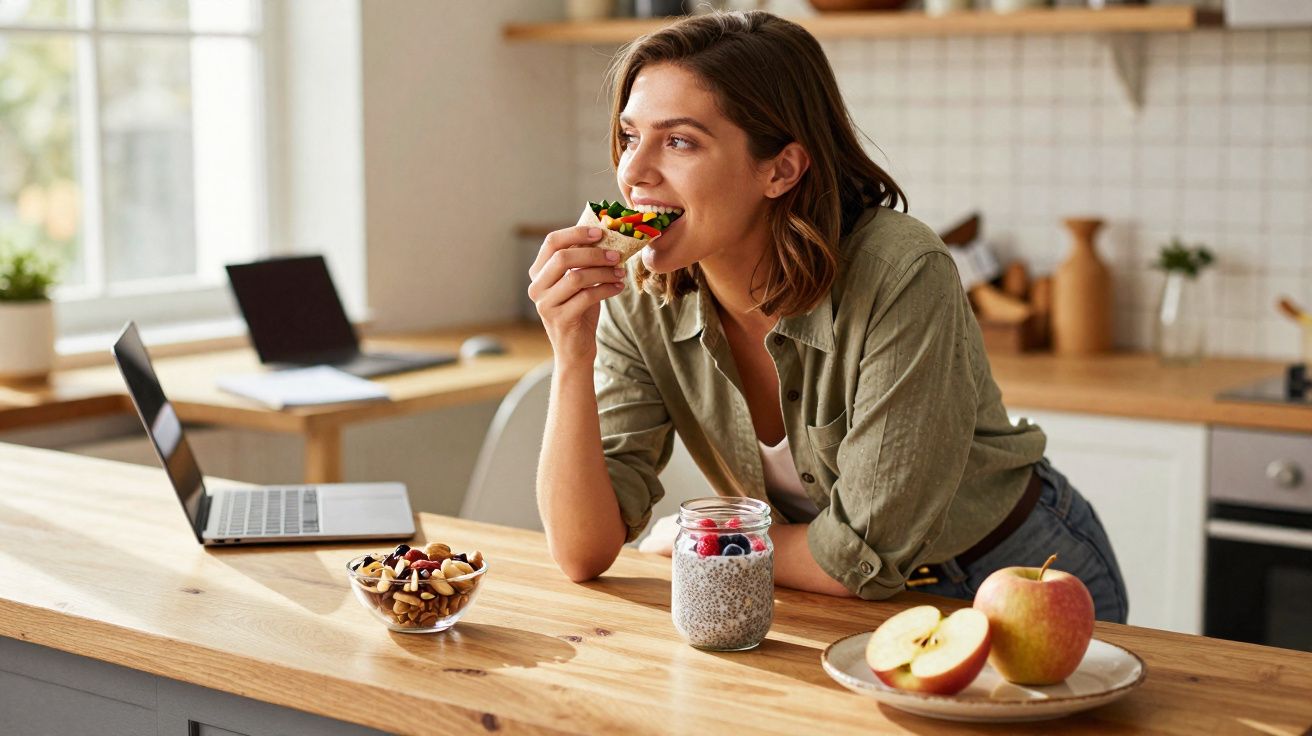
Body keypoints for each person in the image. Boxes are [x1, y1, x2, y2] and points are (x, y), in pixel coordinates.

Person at [526, 10, 1128, 623]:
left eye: (679, 141)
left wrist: (699, 544)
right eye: (630, 137)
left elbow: (859, 554)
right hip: (816, 592)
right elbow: (581, 550)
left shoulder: (900, 271)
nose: (633, 172)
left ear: (780, 169)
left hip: (1013, 577)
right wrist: (572, 353)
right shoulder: (638, 290)